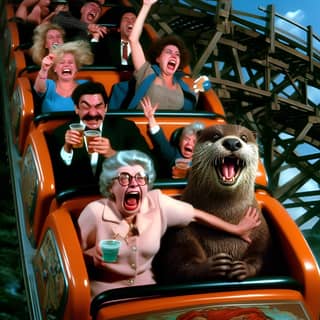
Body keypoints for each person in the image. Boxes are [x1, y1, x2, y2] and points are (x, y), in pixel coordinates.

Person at [77, 149, 261, 297]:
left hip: (148, 292)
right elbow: (72, 254)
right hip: (105, 294)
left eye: (140, 178)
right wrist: (91, 257)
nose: (134, 184)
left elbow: (196, 215)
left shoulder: (157, 203)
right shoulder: (94, 212)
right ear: (111, 186)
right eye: (124, 178)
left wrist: (236, 229)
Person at [48, 81, 153, 192]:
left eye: (98, 106)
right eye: (86, 107)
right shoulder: (60, 133)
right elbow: (56, 178)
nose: (93, 113)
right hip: (77, 200)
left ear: (106, 108)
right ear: (76, 109)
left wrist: (113, 154)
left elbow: (148, 163)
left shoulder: (126, 128)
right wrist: (67, 149)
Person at [128, 0, 197, 110]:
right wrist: (146, 6)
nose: (174, 56)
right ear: (158, 58)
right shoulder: (146, 72)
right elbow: (133, 39)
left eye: (177, 54)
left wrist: (198, 90)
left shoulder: (183, 85)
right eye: (168, 52)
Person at [141, 96, 204, 178]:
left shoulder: (202, 160)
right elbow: (161, 141)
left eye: (194, 142)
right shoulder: (173, 154)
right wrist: (151, 118)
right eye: (186, 139)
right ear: (179, 142)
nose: (189, 143)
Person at [33, 40, 93, 113]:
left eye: (70, 62)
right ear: (55, 68)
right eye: (61, 62)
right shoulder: (49, 84)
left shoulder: (85, 85)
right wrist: (44, 69)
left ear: (76, 68)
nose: (66, 65)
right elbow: (38, 89)